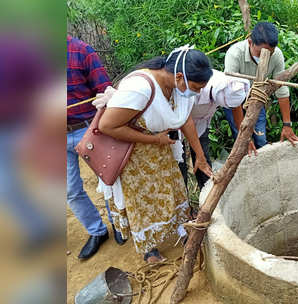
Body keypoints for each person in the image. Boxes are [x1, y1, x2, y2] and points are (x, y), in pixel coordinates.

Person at [97, 46, 213, 263]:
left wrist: (200, 155)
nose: (196, 93)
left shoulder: (179, 88)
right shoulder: (139, 88)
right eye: (196, 88)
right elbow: (108, 126)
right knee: (144, 201)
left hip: (162, 152)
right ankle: (149, 249)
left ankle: (181, 230)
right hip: (134, 157)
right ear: (180, 77)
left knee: (174, 190)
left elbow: (185, 119)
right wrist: (154, 140)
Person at [67, 35, 127, 260]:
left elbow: (105, 90)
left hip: (87, 127)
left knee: (108, 179)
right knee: (70, 191)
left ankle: (119, 225)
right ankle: (97, 231)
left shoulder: (81, 50)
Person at [223, 22, 298, 148]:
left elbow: (281, 89)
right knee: (241, 142)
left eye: (269, 53)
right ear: (250, 42)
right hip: (233, 102)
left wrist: (287, 125)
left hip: (257, 98)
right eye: (260, 53)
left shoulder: (276, 55)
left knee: (260, 140)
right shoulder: (234, 54)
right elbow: (232, 97)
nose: (264, 56)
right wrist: (244, 137)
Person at [178, 70, 251, 191]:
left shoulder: (230, 87)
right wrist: (199, 155)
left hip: (201, 123)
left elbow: (235, 106)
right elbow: (186, 121)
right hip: (179, 123)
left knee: (204, 162)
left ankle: (207, 193)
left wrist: (244, 136)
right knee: (179, 163)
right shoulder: (196, 89)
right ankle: (183, 200)